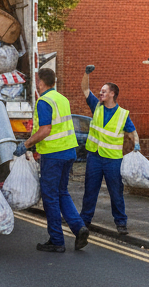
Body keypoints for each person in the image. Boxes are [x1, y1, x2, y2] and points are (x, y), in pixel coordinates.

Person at [18, 67, 90, 252]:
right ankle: (79, 227)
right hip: (69, 152)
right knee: (62, 192)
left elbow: (45, 130)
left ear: (41, 82)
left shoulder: (44, 101)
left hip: (53, 155)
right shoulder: (62, 99)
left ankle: (57, 240)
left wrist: (26, 145)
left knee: (50, 197)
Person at [79, 66, 137, 234]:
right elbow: (85, 88)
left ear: (112, 93)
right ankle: (84, 221)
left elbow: (132, 132)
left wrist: (137, 144)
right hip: (95, 157)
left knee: (116, 193)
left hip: (113, 159)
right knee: (90, 191)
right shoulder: (96, 106)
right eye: (100, 91)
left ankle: (121, 223)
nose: (100, 93)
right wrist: (86, 74)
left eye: (104, 91)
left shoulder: (122, 114)